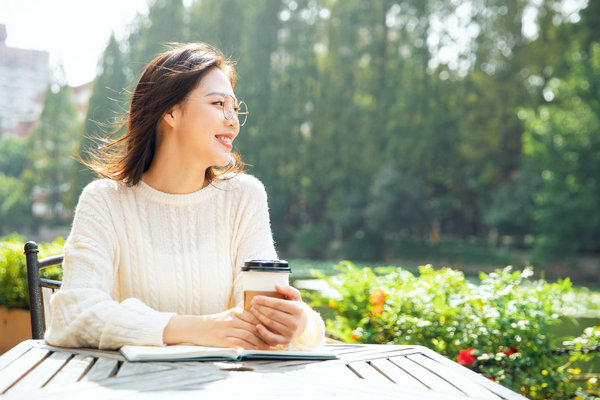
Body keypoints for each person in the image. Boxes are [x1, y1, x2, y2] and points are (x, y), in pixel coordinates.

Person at [45, 43, 325, 350]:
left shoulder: (245, 196)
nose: (232, 121)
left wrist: (296, 323)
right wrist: (199, 329)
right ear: (170, 111)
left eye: (235, 108)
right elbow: (73, 315)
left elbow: (263, 310)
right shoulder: (104, 201)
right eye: (218, 104)